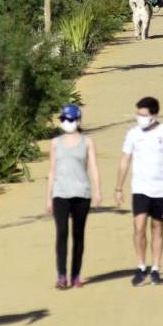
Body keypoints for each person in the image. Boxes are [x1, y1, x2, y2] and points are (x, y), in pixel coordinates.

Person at [115, 96, 163, 287]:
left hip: (161, 189)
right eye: (138, 114)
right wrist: (119, 187)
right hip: (140, 189)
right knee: (138, 228)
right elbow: (124, 160)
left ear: (153, 115)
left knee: (158, 228)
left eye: (143, 114)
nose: (140, 118)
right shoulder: (133, 134)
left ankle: (155, 268)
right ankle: (140, 266)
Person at [46, 104, 102, 290]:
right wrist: (48, 197)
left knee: (78, 235)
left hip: (81, 194)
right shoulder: (55, 143)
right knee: (62, 233)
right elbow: (52, 171)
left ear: (78, 121)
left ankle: (75, 275)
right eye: (63, 119)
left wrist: (98, 191)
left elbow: (93, 167)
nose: (66, 122)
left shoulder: (87, 142)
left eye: (70, 119)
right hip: (60, 194)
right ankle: (61, 275)